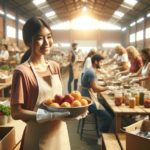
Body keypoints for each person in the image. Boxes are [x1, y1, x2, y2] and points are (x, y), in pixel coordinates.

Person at [10, 16, 71, 150]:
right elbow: (16, 112)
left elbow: (57, 100)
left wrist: (72, 110)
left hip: (60, 133)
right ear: (28, 42)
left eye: (49, 37)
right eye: (39, 38)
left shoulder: (54, 66)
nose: (46, 42)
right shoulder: (22, 72)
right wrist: (47, 116)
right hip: (38, 135)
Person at [81, 54, 113, 133]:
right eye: (101, 62)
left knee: (111, 110)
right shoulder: (91, 72)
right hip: (89, 102)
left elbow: (93, 86)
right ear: (95, 62)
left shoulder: (90, 70)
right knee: (108, 117)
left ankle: (106, 130)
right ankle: (102, 136)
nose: (102, 64)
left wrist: (105, 85)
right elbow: (95, 89)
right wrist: (108, 88)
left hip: (87, 98)